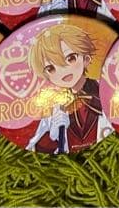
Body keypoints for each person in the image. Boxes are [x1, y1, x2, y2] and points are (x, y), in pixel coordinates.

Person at [25, 23, 108, 154]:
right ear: (46, 76)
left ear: (86, 59)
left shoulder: (105, 91)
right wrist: (53, 134)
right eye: (50, 68)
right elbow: (39, 148)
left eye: (71, 58)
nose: (63, 70)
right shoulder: (50, 107)